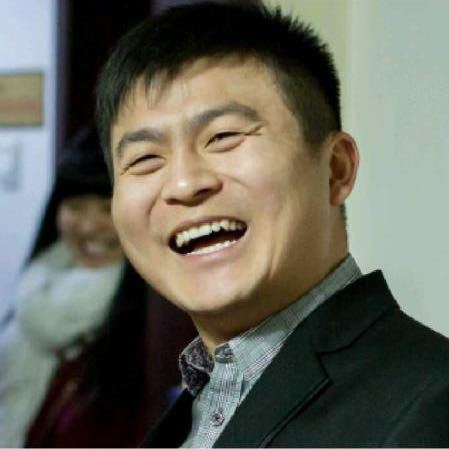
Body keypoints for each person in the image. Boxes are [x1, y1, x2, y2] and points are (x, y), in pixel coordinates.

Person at [95, 2, 449, 447]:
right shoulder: (191, 412)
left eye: (223, 137)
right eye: (145, 159)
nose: (184, 184)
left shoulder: (432, 402)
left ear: (336, 169)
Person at [0, 126, 196, 447]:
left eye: (106, 207)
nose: (89, 226)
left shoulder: (163, 322)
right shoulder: (35, 289)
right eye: (76, 206)